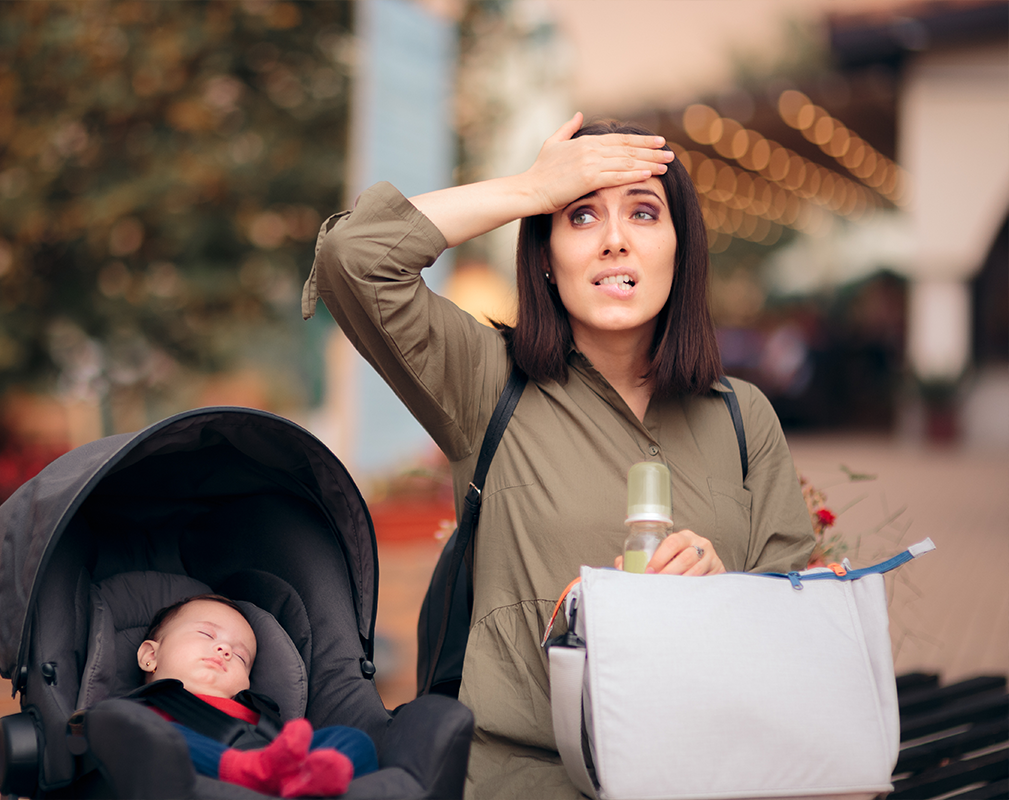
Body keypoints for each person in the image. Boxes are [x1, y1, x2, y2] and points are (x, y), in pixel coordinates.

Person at [302, 114, 815, 799]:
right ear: (545, 253)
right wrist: (531, 188)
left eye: (643, 213)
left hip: (705, 776)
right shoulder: (486, 383)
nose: (613, 242)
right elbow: (354, 257)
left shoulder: (742, 416)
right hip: (523, 778)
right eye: (579, 217)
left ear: (679, 250)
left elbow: (796, 639)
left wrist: (723, 596)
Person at [136, 593, 378, 798]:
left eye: (241, 657)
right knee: (147, 733)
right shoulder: (143, 710)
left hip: (274, 764)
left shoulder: (260, 716)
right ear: (150, 656)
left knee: (353, 739)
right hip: (201, 775)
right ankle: (253, 772)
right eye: (206, 634)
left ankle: (303, 782)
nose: (225, 649)